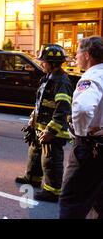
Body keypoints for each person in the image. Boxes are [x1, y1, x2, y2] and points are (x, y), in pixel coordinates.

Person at [15, 44, 73, 202]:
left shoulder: (62, 82)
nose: (41, 64)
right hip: (40, 128)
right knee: (35, 153)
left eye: (44, 61)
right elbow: (41, 103)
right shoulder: (47, 78)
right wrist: (33, 120)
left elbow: (63, 109)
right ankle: (32, 178)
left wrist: (50, 132)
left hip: (52, 132)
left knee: (51, 161)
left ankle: (53, 191)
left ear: (53, 63)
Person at [60, 36, 103, 219]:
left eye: (77, 52)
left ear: (87, 55)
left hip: (91, 148)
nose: (75, 56)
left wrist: (82, 132)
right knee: (99, 200)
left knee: (72, 200)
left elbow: (84, 109)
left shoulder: (91, 78)